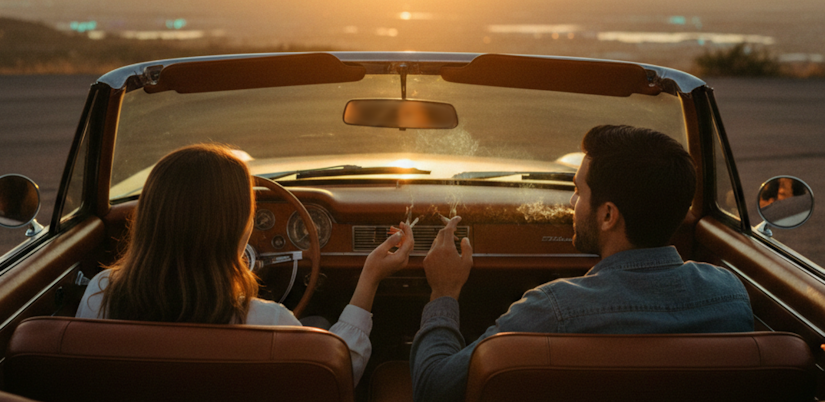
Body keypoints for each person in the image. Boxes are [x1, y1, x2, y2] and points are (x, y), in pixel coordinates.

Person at [410, 125, 754, 402]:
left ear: (607, 215)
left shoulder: (552, 310)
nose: (572, 202)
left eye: (578, 190)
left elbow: (433, 389)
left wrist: (444, 291)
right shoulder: (729, 296)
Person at [76, 143, 414, 385]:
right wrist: (370, 277)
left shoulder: (99, 293)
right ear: (239, 227)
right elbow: (340, 372)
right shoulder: (268, 322)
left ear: (148, 217)